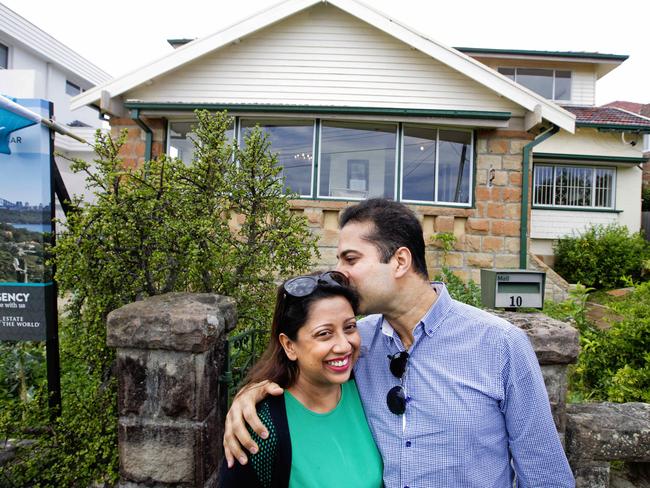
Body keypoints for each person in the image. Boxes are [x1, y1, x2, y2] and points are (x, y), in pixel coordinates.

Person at [224, 198, 575, 487]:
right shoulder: (359, 343)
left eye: (350, 259)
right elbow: (305, 371)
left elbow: (544, 473)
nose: (339, 273)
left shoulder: (500, 345)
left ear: (400, 261)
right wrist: (251, 394)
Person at [219, 270, 383, 488]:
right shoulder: (261, 427)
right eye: (324, 333)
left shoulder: (369, 382)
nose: (344, 345)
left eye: (350, 327)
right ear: (289, 345)